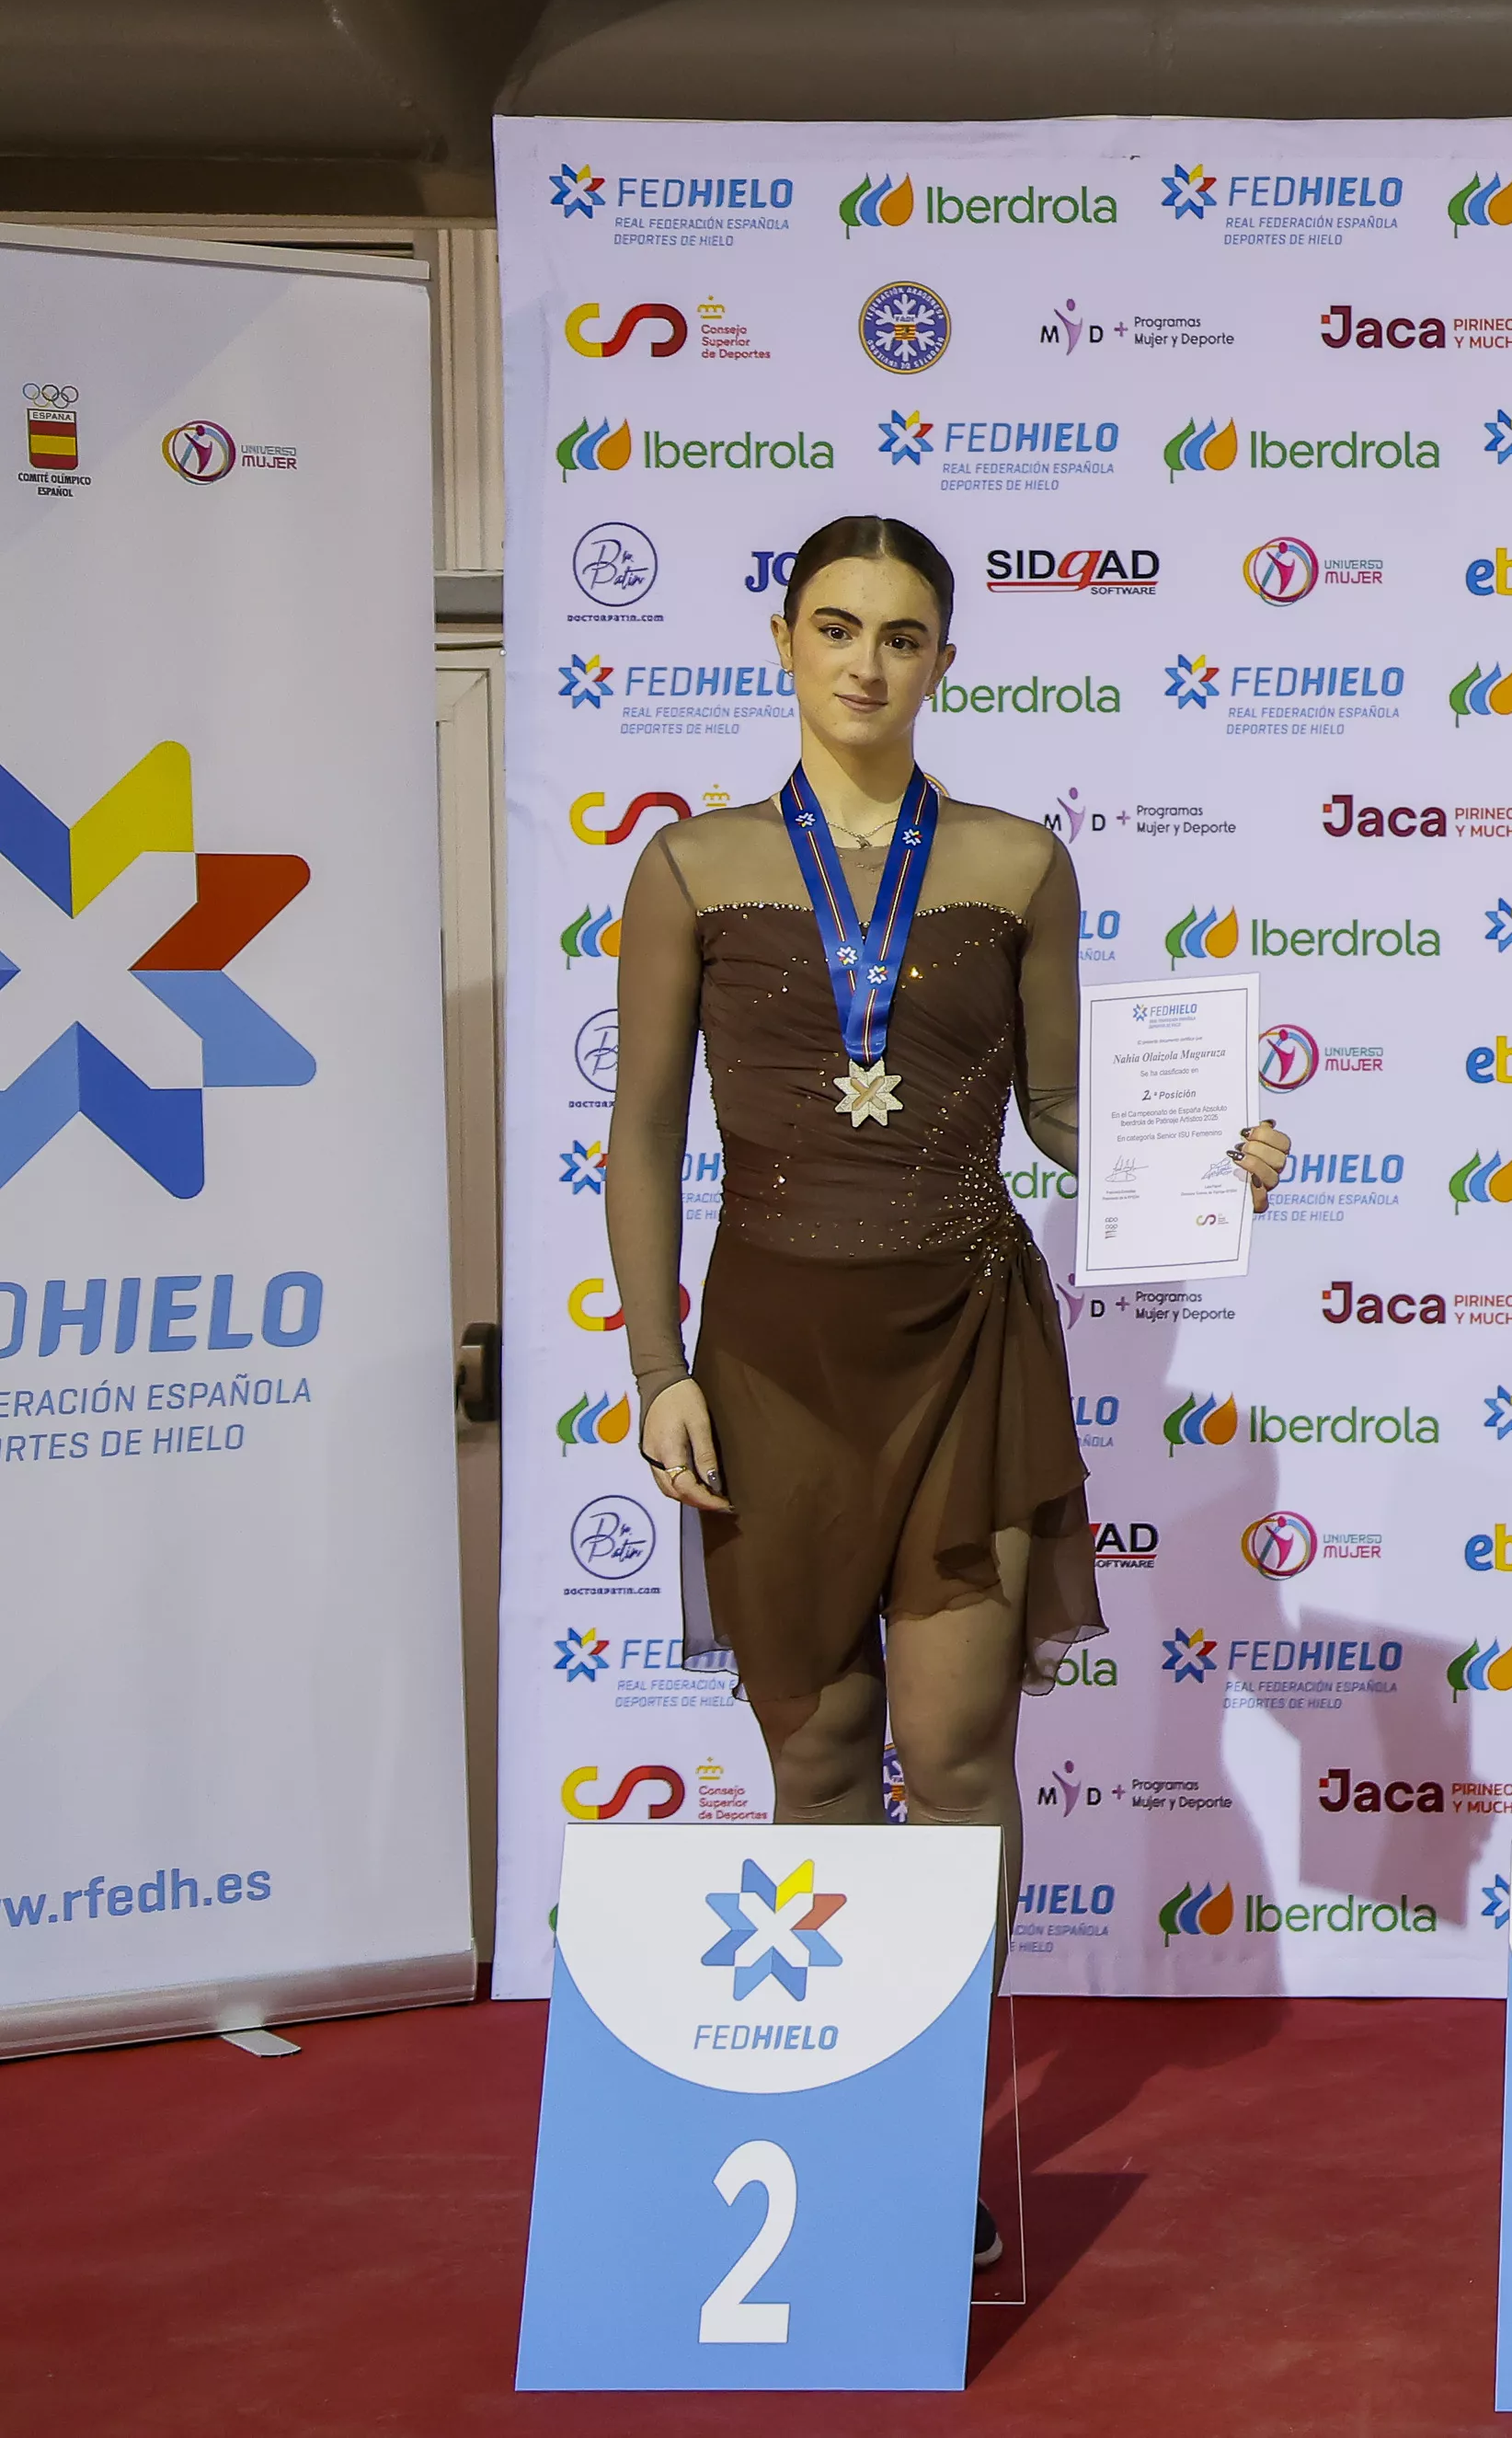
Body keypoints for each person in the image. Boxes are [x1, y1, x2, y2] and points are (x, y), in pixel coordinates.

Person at [607, 514, 1288, 2262]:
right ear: (782, 639)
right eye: (836, 628)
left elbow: (1062, 1114)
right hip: (764, 1359)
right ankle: (842, 2129)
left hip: (974, 1342)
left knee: (960, 1752)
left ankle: (951, 2138)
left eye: (902, 636)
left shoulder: (1012, 861)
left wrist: (1209, 1153)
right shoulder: (688, 867)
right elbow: (638, 1139)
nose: (865, 663)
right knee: (817, 1752)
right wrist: (655, 1367)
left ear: (945, 661)